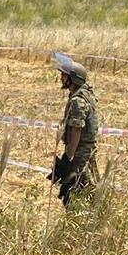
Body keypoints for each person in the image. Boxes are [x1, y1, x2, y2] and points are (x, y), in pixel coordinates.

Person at [48, 54, 99, 207]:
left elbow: (77, 129)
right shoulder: (83, 95)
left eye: (64, 75)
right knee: (86, 185)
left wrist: (68, 157)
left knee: (74, 188)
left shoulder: (78, 100)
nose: (62, 78)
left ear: (73, 79)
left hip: (79, 152)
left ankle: (89, 214)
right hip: (85, 149)